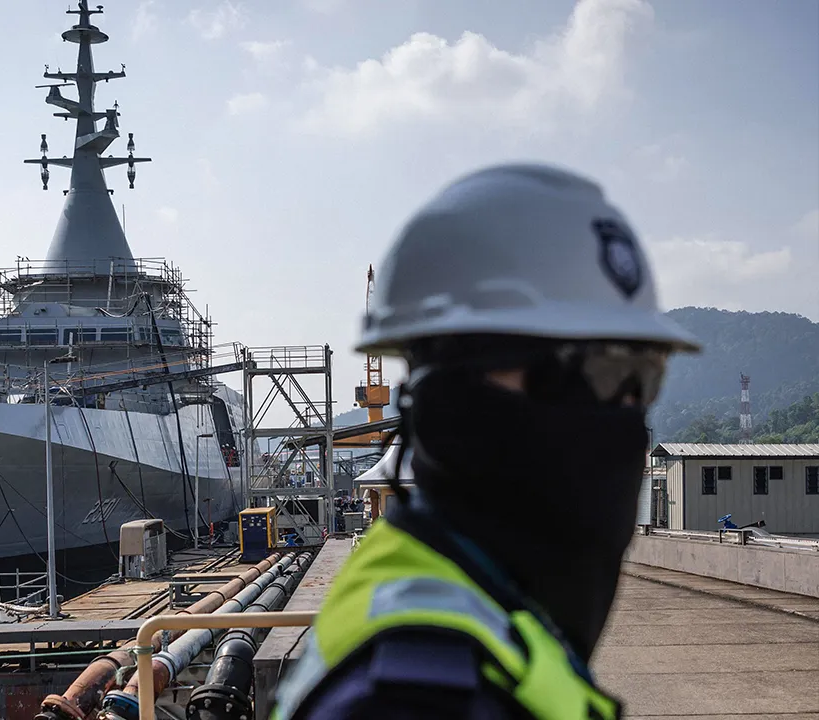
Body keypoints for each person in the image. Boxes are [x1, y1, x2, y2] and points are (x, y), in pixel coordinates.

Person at [272, 163, 700, 719]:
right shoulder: (414, 704)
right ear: (454, 389)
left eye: (644, 377)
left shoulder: (468, 604)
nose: (625, 413)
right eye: (600, 372)